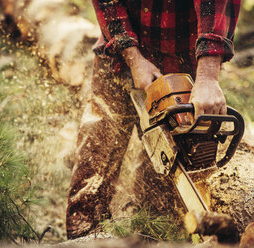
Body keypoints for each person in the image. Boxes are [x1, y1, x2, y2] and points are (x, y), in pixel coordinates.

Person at [66, 0, 240, 239]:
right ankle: (83, 238)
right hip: (118, 51)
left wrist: (208, 74)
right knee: (97, 152)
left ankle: (148, 237)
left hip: (184, 58)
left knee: (163, 182)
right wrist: (133, 57)